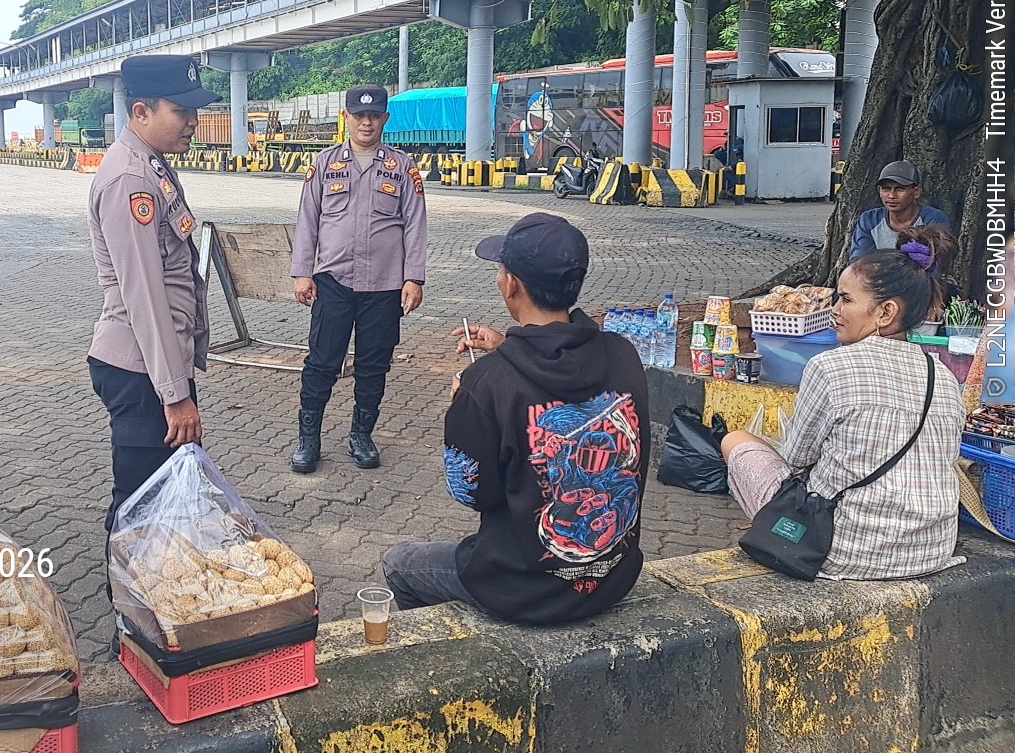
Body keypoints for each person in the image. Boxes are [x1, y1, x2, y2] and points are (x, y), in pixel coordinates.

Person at [381, 213, 652, 624]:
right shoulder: (623, 353)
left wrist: (463, 412)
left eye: (501, 271)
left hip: (523, 587)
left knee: (399, 564)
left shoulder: (486, 383)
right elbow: (561, 373)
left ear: (511, 284)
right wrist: (509, 349)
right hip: (613, 575)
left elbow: (472, 494)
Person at [719, 232, 966, 580]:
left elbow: (795, 459)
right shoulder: (943, 375)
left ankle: (776, 535)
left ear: (886, 312)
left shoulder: (830, 366)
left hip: (844, 549)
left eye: (846, 300)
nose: (834, 310)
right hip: (929, 550)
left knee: (736, 441)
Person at [87, 53, 219, 566]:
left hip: (156, 367)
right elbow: (144, 296)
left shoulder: (151, 164)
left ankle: (158, 592)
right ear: (141, 111)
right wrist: (175, 394)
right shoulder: (130, 180)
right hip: (141, 371)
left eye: (194, 110)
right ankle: (128, 602)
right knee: (140, 505)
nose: (193, 121)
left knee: (164, 496)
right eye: (180, 111)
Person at [289, 85, 428, 473]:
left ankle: (361, 436)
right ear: (346, 118)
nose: (366, 122)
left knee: (373, 365)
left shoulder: (402, 168)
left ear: (385, 119)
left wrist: (414, 278)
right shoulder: (324, 164)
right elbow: (308, 221)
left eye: (374, 116)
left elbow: (415, 225)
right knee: (321, 362)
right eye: (359, 115)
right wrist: (302, 272)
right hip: (333, 281)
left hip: (384, 285)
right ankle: (309, 439)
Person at [849, 160, 952, 261]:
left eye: (900, 189)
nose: (891, 196)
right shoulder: (869, 219)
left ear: (916, 192)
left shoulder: (933, 218)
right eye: (886, 189)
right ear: (879, 191)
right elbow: (859, 261)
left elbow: (938, 261)